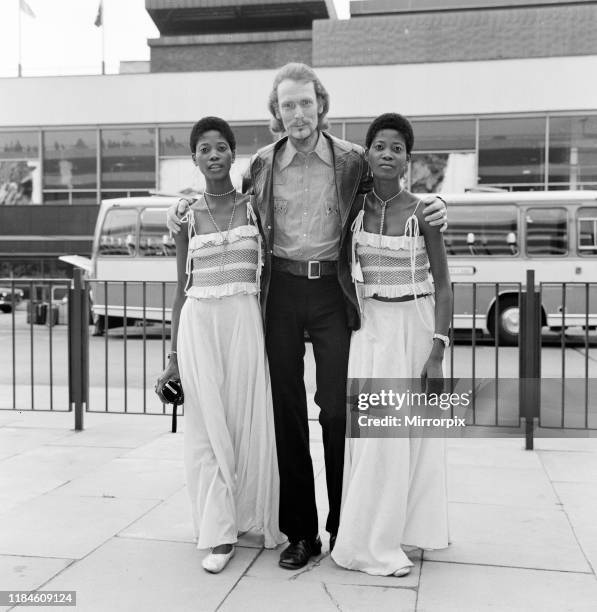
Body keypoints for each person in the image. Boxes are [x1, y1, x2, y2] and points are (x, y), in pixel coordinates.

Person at [167, 62, 448, 570]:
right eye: (287, 105)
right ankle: (301, 531)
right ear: (276, 113)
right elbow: (222, 203)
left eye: (305, 103)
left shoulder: (353, 161)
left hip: (333, 294)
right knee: (285, 411)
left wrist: (437, 206)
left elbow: (394, 188)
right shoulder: (260, 165)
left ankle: (345, 526)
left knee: (339, 412)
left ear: (321, 105)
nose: (297, 114)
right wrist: (179, 209)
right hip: (280, 291)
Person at [155, 116, 285, 575]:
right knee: (207, 430)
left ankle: (249, 517)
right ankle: (220, 532)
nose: (213, 155)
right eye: (204, 149)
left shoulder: (256, 210)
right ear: (194, 158)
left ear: (234, 154)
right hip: (199, 326)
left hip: (245, 323)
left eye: (221, 148)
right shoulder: (185, 216)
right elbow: (180, 287)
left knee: (248, 425)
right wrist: (172, 357)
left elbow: (270, 276)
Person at [331, 113, 452, 576]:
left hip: (416, 327)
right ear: (367, 154)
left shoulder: (425, 212)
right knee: (378, 440)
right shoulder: (353, 211)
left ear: (408, 158)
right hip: (370, 330)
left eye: (396, 147)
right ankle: (370, 546)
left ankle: (406, 532)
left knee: (413, 439)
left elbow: (443, 286)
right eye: (378, 146)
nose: (386, 154)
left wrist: (437, 352)